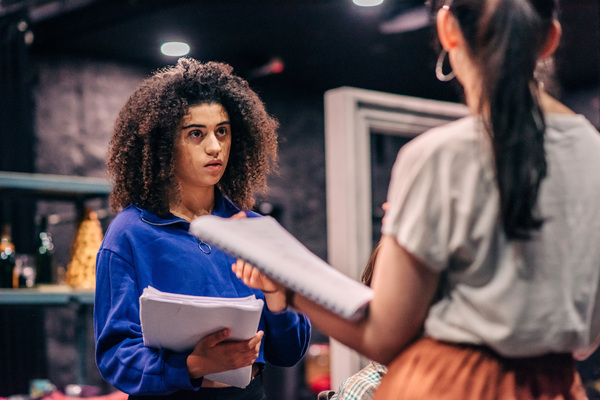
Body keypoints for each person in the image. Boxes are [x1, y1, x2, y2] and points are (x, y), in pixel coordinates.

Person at [234, 0, 600, 398]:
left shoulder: (437, 156)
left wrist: (287, 284)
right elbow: (587, 339)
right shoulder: (593, 152)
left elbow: (385, 337)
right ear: (550, 39)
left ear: (447, 28)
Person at [94, 58, 311, 399]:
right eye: (196, 133)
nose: (214, 147)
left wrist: (276, 297)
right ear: (163, 144)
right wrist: (194, 365)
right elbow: (115, 356)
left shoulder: (251, 230)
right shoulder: (130, 233)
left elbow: (290, 351)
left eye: (222, 131)